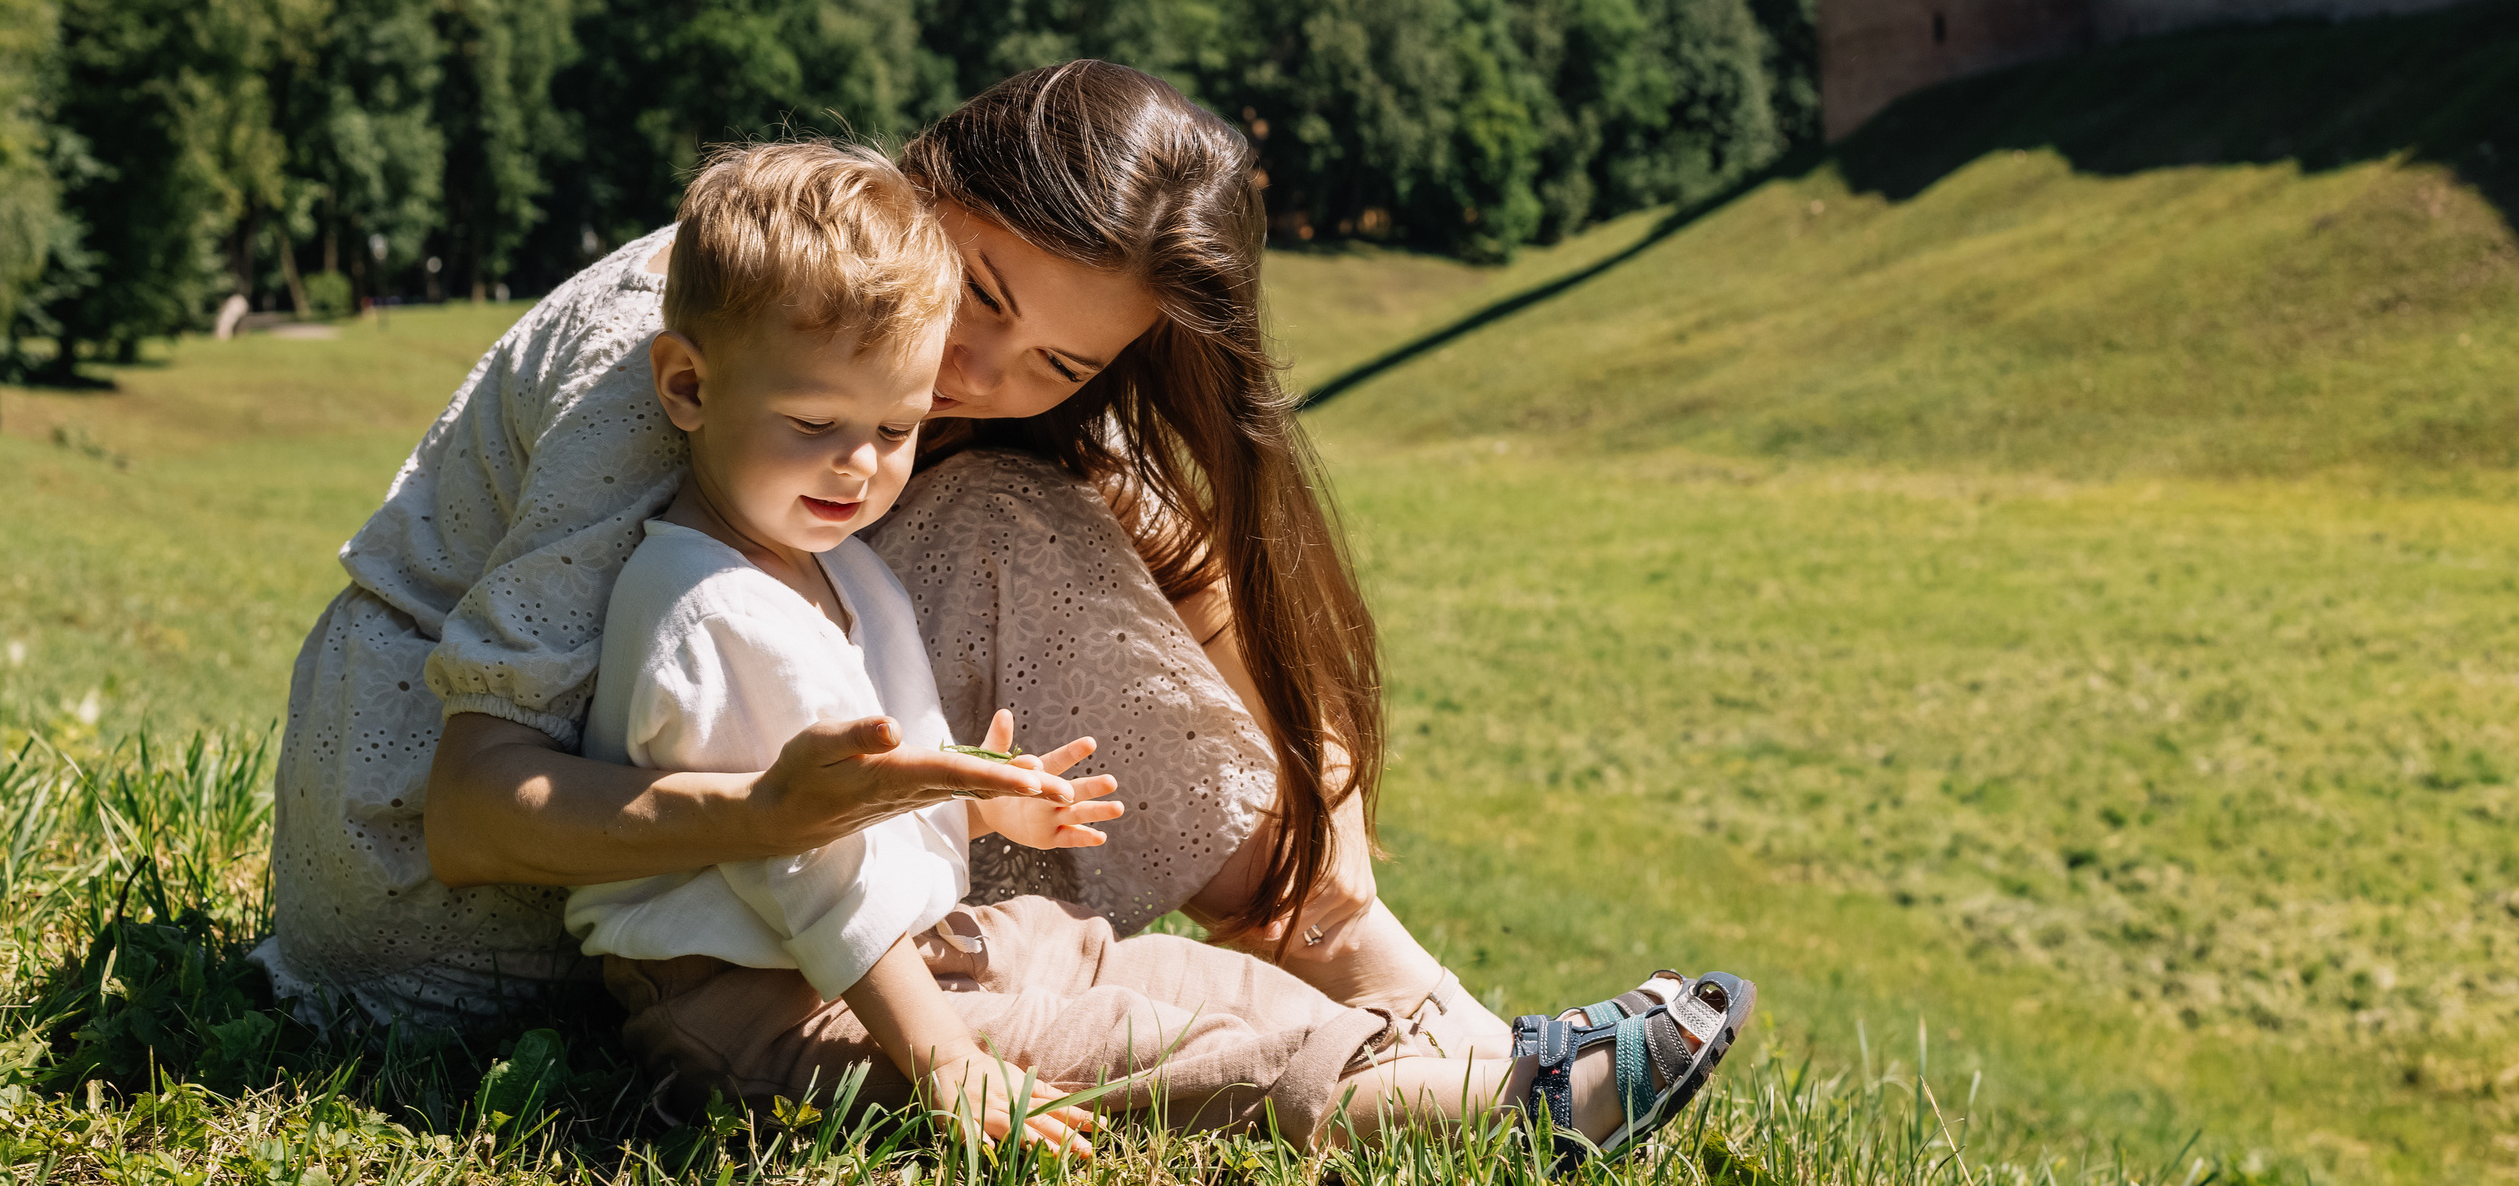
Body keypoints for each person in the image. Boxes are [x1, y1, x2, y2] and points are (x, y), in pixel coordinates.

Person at [252, 62, 1749, 1160]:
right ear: (932, 177)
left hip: (726, 897)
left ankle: (1474, 1049)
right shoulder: (724, 332)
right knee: (1012, 537)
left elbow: (1185, 544)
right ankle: (1474, 1083)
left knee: (1039, 527)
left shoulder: (879, 386)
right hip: (435, 917)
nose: (975, 374)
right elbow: (468, 801)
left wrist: (1331, 848)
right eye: (980, 290)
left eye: (1060, 366)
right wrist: (780, 823)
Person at [569, 139, 1587, 1153]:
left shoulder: (833, 565)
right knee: (1154, 1053)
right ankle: (1507, 1111)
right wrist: (950, 1065)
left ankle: (1484, 1053)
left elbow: (870, 788)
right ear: (689, 389)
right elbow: (816, 879)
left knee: (1179, 976)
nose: (859, 464)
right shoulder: (713, 610)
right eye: (814, 421)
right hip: (769, 1005)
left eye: (896, 427)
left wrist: (979, 803)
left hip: (904, 948)